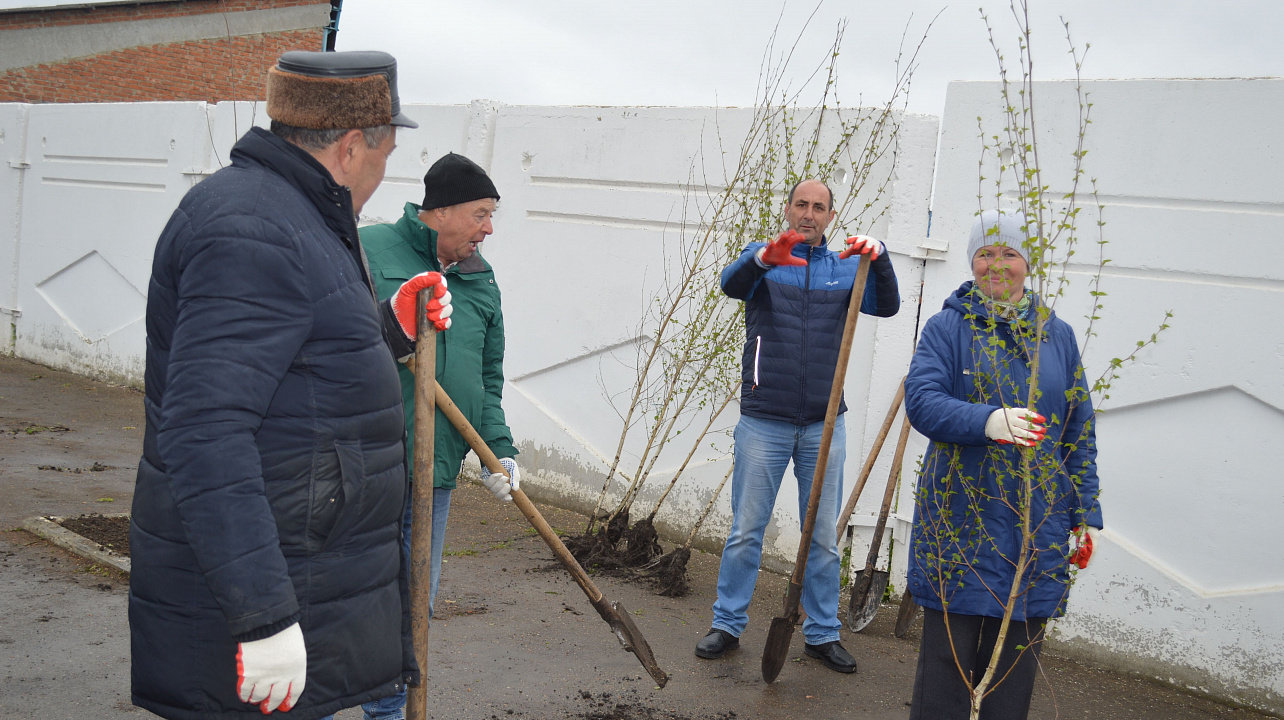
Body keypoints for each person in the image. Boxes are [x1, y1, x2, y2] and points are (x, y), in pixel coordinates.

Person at [130, 50, 453, 719]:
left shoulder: (294, 214)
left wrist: (390, 331)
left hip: (307, 571)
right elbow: (205, 430)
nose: (385, 170)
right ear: (352, 144)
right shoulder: (253, 228)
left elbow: (298, 368)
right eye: (387, 152)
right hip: (267, 598)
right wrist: (265, 618)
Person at [903, 209, 1102, 719]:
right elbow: (922, 399)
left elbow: (1078, 429)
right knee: (947, 664)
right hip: (961, 519)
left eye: (1009, 253)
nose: (997, 264)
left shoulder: (1057, 336)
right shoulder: (948, 328)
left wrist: (1083, 516)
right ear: (971, 263)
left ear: (1027, 263)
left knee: (1013, 670)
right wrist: (986, 421)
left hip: (1038, 521)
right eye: (985, 253)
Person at [695, 178, 900, 674]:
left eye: (819, 207)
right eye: (801, 205)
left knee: (824, 537)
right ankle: (727, 623)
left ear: (831, 216)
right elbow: (731, 285)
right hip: (764, 419)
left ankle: (822, 634)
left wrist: (882, 257)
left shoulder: (846, 268)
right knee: (747, 529)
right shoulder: (763, 258)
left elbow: (887, 305)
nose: (809, 214)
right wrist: (767, 256)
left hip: (824, 424)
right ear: (788, 209)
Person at [356, 153, 520, 720]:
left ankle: (386, 713)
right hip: (364, 468)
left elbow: (486, 379)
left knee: (413, 608)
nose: (488, 228)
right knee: (344, 604)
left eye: (492, 215)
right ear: (441, 210)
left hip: (436, 473)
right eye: (480, 213)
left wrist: (499, 449)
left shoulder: (479, 277)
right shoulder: (369, 251)